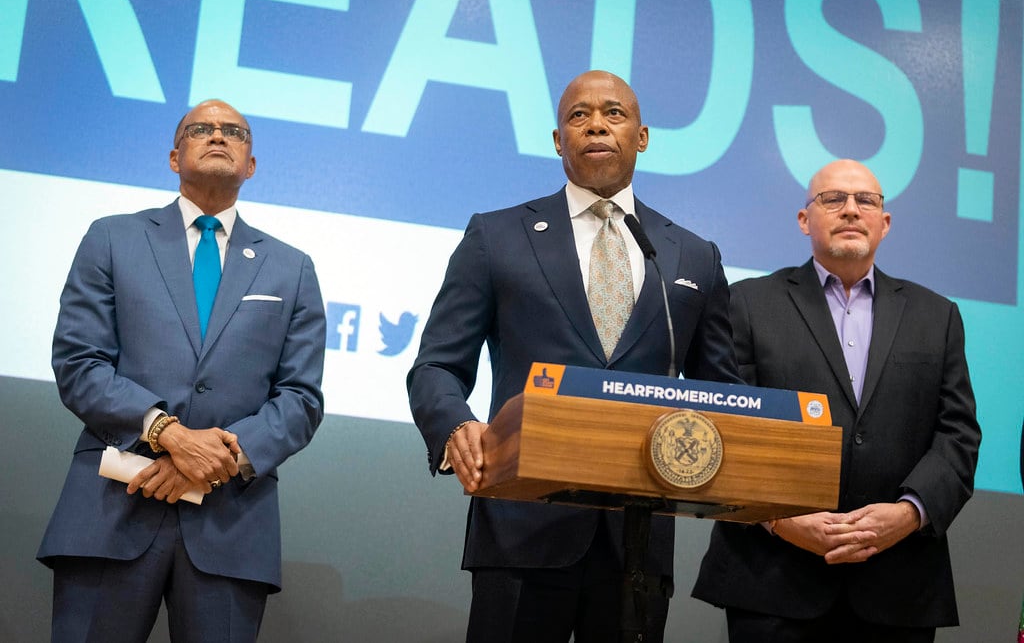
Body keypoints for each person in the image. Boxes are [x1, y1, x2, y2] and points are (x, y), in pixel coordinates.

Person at [407, 70, 740, 642]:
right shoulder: (497, 236)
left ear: (641, 137)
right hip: (521, 528)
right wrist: (456, 426)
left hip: (638, 542)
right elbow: (437, 364)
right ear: (559, 140)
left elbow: (721, 391)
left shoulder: (692, 256)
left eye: (614, 113)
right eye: (578, 116)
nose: (596, 126)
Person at [38, 100, 327, 642]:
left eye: (234, 131)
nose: (218, 136)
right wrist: (167, 433)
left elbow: (301, 399)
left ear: (251, 164)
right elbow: (78, 361)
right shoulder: (112, 238)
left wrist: (212, 461)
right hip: (112, 508)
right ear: (174, 157)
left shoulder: (292, 268)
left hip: (230, 523)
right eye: (201, 129)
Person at [691, 159, 981, 642]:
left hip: (899, 585)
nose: (850, 210)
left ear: (884, 223)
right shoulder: (746, 303)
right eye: (833, 199)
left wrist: (909, 513)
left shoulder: (937, 315)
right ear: (804, 220)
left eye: (865, 200)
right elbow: (725, 426)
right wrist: (780, 520)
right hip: (773, 581)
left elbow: (958, 434)